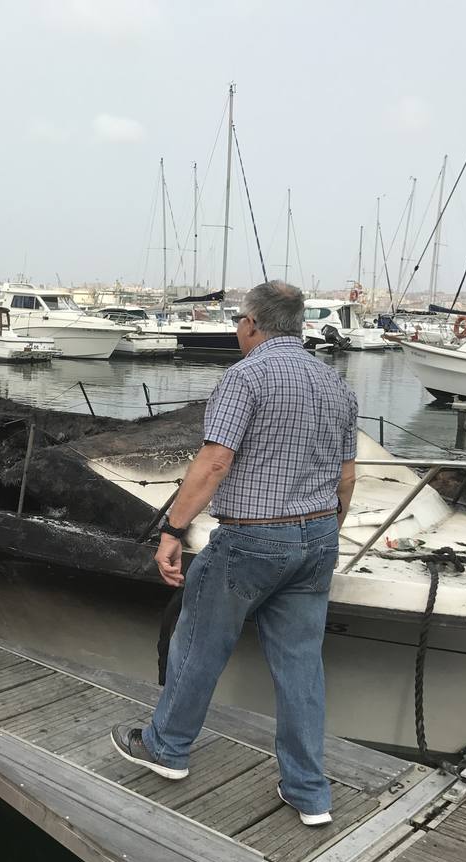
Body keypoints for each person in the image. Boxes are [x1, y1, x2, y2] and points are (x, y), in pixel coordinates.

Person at [110, 280, 358, 827]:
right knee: (301, 668)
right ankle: (309, 791)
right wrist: (323, 535)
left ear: (251, 324)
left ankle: (166, 748)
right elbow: (346, 479)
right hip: (317, 537)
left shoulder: (246, 377)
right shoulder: (336, 385)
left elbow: (215, 463)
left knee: (199, 644)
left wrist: (173, 530)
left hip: (251, 538)